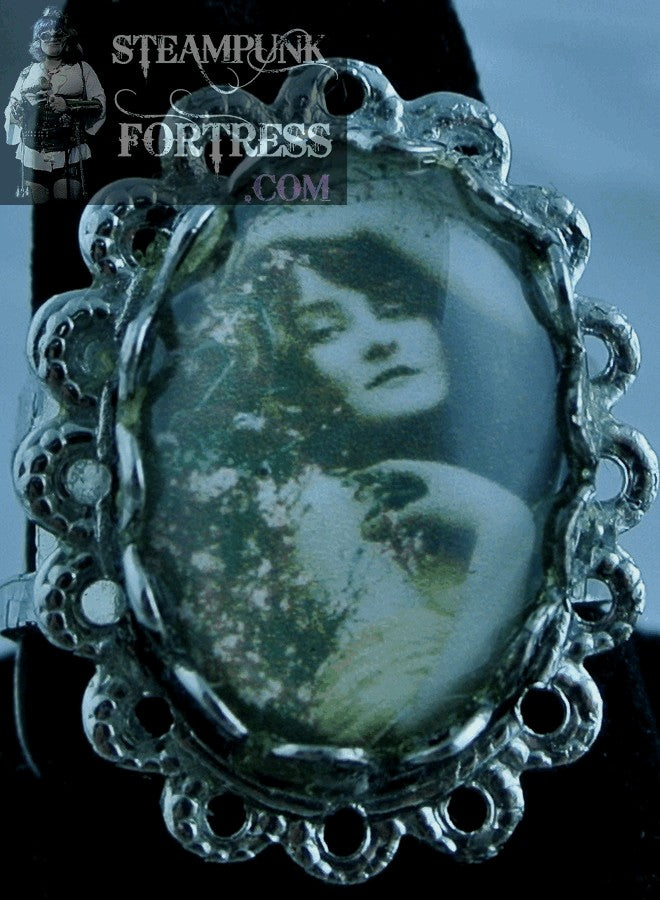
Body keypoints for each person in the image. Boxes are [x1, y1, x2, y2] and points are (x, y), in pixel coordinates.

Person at [142, 189, 556, 748]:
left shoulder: (505, 467)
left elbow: (523, 321)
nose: (378, 341)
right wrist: (506, 535)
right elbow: (395, 725)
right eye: (325, 331)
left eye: (396, 307)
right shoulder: (319, 505)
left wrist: (367, 215)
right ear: (293, 370)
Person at [4, 7, 105, 202]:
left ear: (67, 38)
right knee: (38, 212)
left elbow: (99, 104)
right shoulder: (27, 72)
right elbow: (12, 108)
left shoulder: (82, 69)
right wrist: (21, 108)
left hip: (69, 154)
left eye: (58, 34)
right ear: (38, 40)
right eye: (45, 34)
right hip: (32, 155)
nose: (52, 38)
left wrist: (68, 105)